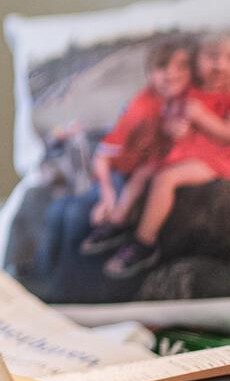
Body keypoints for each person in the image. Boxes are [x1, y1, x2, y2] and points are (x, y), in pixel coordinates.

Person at [106, 29, 230, 279]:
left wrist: (202, 116)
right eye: (212, 56)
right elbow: (173, 120)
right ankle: (117, 221)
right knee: (145, 169)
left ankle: (144, 242)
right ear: (198, 57)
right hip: (192, 147)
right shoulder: (193, 88)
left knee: (165, 178)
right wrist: (174, 128)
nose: (220, 64)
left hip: (225, 155)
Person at [79, 36, 195, 257]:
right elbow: (102, 156)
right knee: (136, 181)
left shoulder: (186, 98)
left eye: (181, 66)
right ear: (149, 73)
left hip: (154, 162)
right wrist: (108, 195)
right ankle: (118, 221)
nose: (172, 73)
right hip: (122, 168)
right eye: (162, 66)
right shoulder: (141, 108)